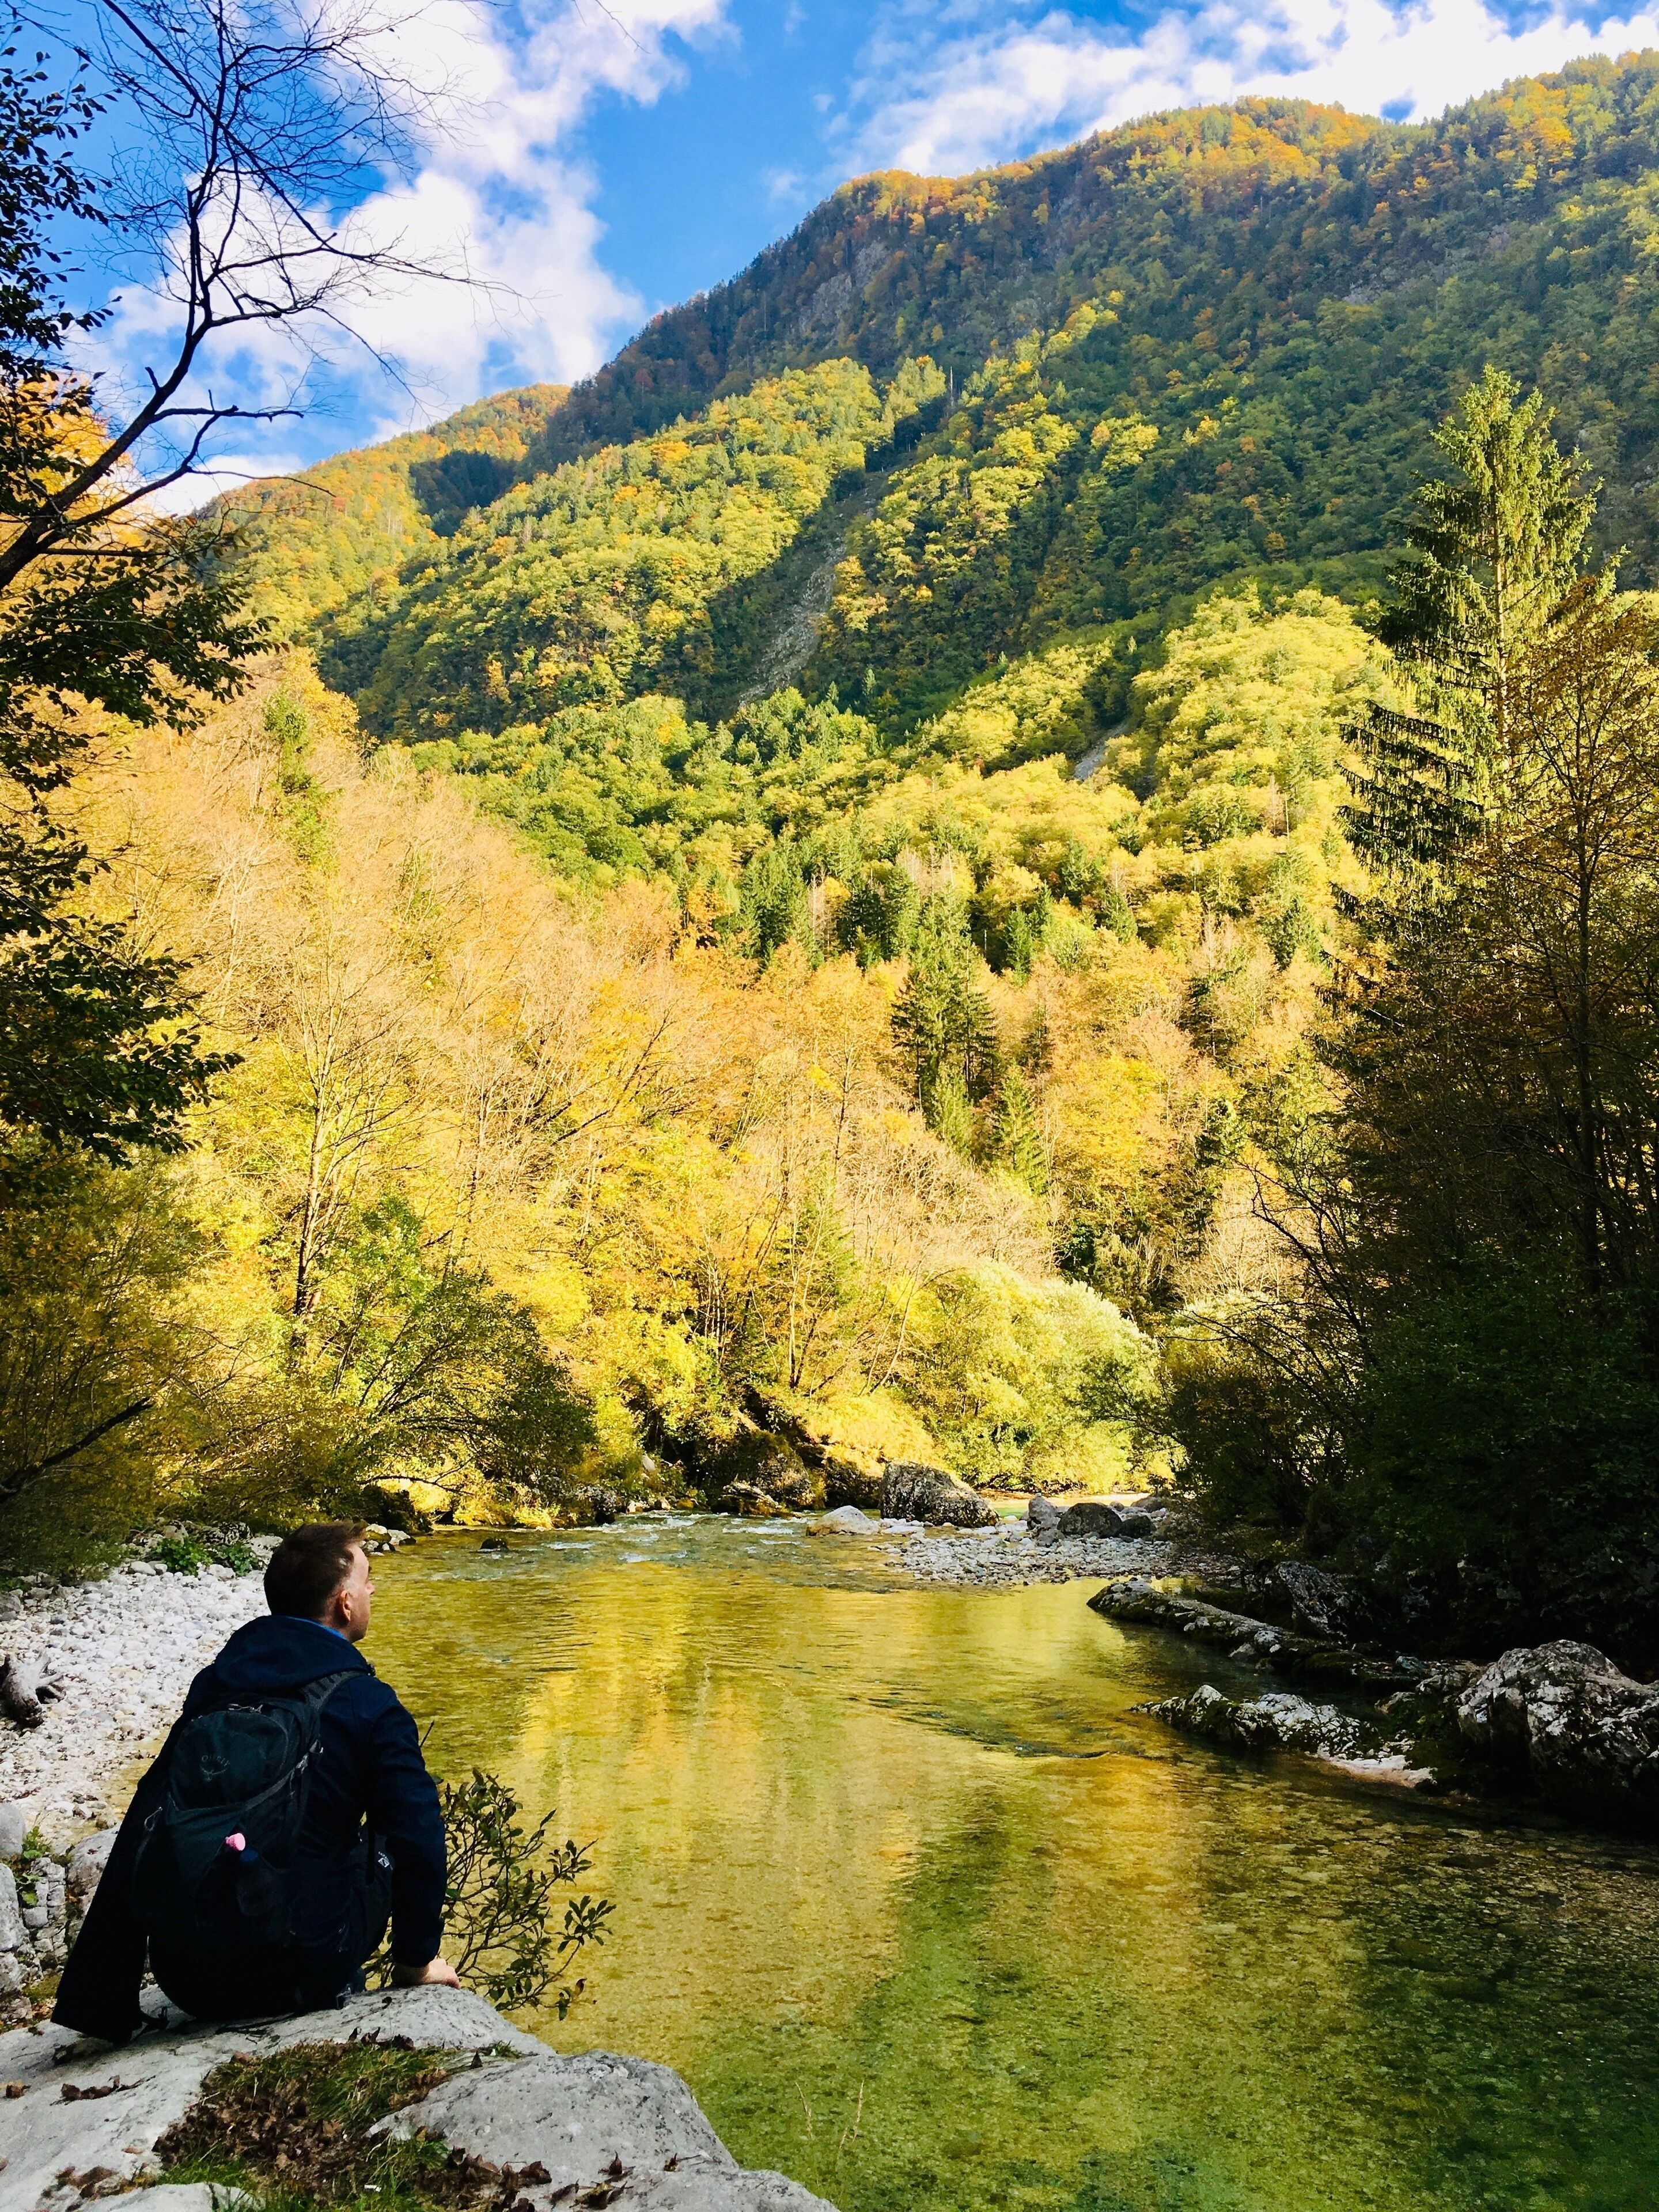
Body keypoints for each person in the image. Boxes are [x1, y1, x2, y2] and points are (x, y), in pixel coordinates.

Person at [54, 1521, 456, 2042]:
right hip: (300, 1977)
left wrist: (100, 1996)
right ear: (345, 1605)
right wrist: (416, 1960)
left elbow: (146, 1814)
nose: (373, 1588)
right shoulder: (367, 1703)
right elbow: (419, 1837)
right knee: (388, 1833)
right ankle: (352, 1976)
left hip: (188, 1979)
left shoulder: (217, 1682)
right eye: (367, 1578)